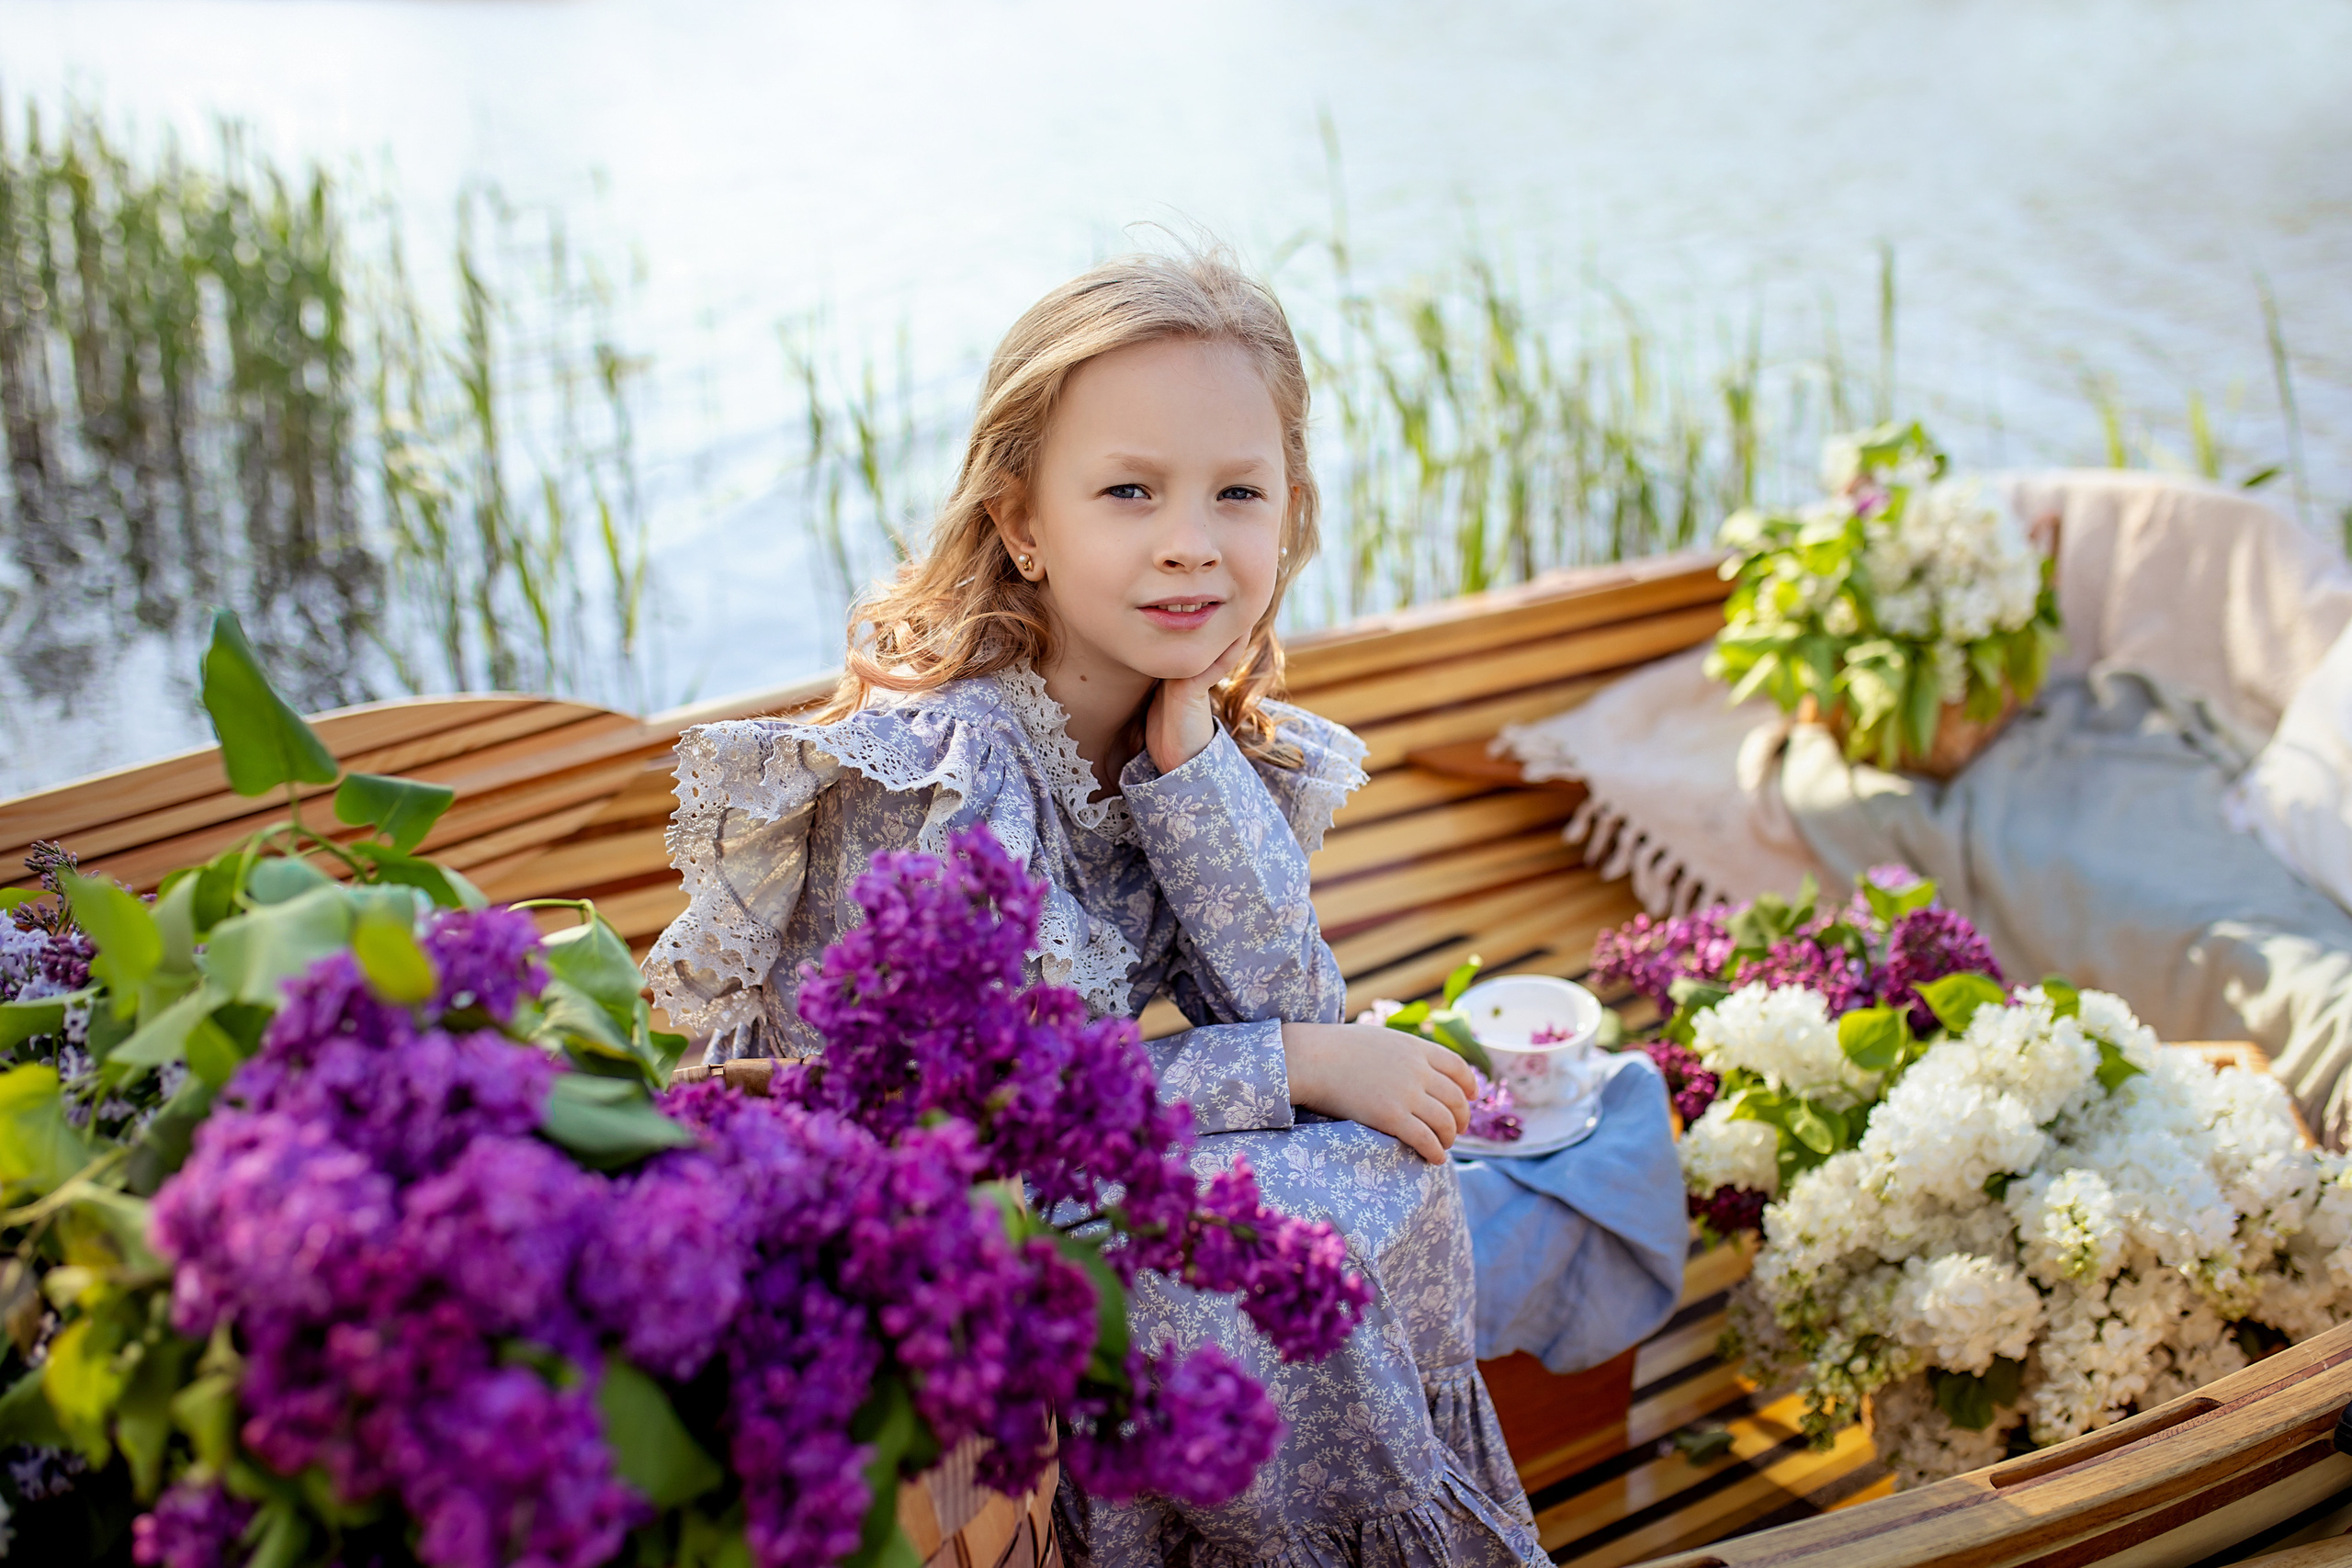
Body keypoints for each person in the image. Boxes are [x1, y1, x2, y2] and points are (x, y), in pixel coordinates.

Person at [644, 248, 1548, 1566]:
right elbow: (1000, 1110)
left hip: (1052, 1162)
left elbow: (1287, 1009)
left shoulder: (1185, 725)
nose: (1191, 539)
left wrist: (1193, 778)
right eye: (1130, 491)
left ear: (1287, 513)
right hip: (895, 1205)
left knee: (1381, 1170)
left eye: (1237, 492)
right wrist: (1299, 1061)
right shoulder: (949, 767)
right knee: (1250, 1280)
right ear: (1023, 524)